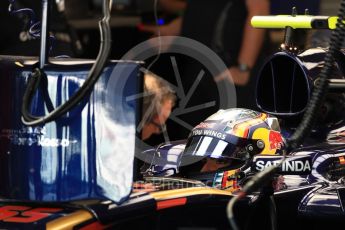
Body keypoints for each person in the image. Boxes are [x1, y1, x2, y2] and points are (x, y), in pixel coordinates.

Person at [140, 0, 271, 140]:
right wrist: (169, 32)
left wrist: (244, 67)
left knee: (231, 144)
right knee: (193, 142)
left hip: (230, 73)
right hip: (198, 71)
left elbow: (259, 10)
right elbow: (202, 9)